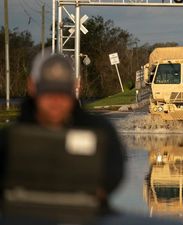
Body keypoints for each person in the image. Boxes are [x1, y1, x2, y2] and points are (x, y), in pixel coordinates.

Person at [0, 52, 125, 211]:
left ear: (74, 88)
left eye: (62, 93)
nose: (56, 102)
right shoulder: (9, 138)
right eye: (48, 92)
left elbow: (113, 175)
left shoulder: (100, 132)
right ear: (32, 87)